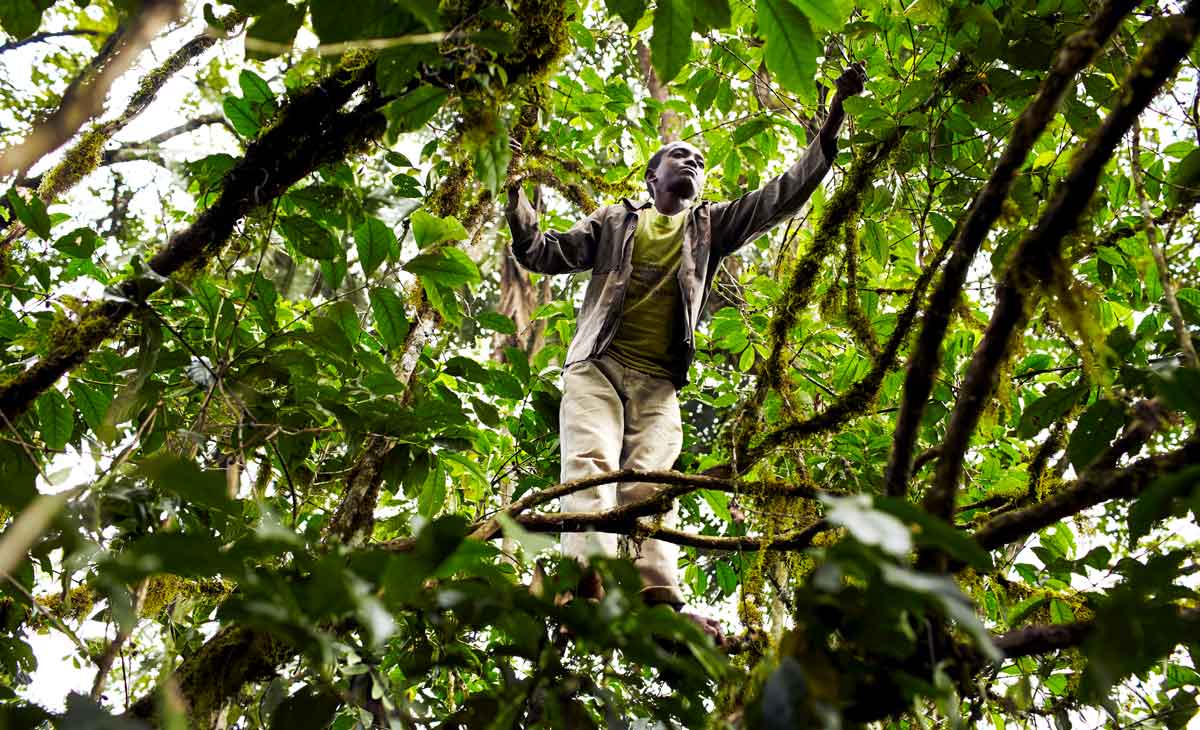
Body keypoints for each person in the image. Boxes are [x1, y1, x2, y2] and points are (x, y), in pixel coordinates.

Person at [504, 64, 867, 642]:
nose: (692, 162)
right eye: (679, 155)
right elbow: (541, 252)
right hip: (597, 363)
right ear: (652, 177)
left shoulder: (711, 227)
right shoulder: (615, 221)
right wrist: (517, 194)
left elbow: (779, 197)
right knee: (591, 463)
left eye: (699, 160)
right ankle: (582, 577)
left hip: (657, 380)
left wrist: (833, 122)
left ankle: (659, 600)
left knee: (652, 484)